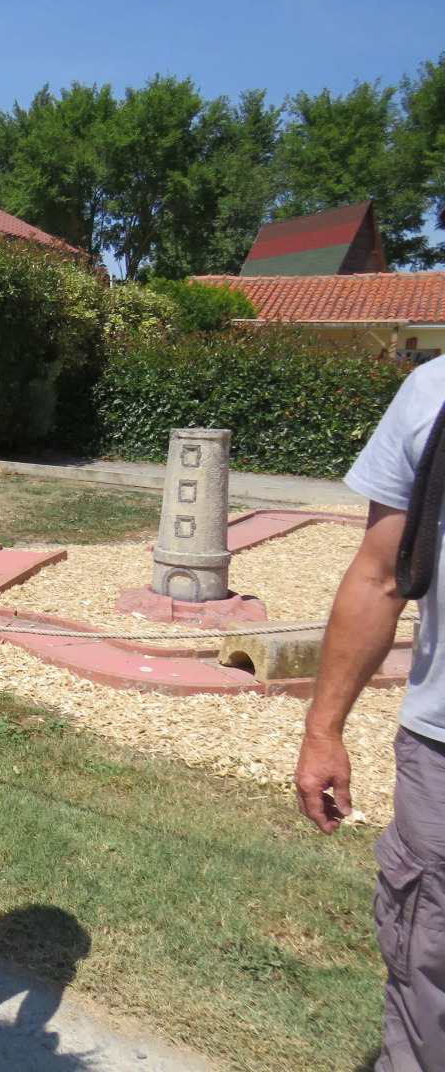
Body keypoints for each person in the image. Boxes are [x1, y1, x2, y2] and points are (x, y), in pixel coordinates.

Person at [294, 355, 445, 1072]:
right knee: (429, 988)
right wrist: (323, 729)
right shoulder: (434, 392)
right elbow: (381, 574)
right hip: (441, 756)